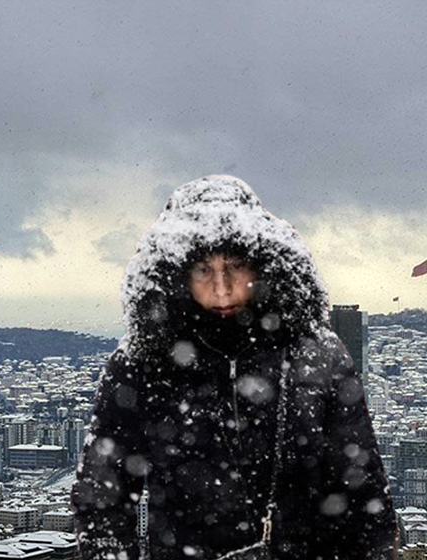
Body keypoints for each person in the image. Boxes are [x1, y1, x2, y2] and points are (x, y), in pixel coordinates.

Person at [71, 176, 397, 559]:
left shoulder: (317, 355)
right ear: (175, 275)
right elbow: (104, 499)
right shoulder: (143, 361)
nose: (223, 288)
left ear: (264, 266)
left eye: (236, 266)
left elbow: (362, 497)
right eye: (204, 270)